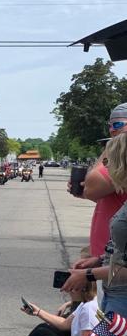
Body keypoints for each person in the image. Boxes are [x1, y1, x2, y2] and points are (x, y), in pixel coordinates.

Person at [64, 132, 127, 336]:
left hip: (121, 298)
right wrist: (99, 258)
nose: (105, 165)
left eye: (110, 159)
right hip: (113, 296)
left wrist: (89, 274)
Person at [72, 103, 127, 259]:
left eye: (117, 125)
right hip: (107, 257)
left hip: (117, 263)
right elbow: (108, 197)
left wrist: (110, 147)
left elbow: (92, 186)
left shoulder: (123, 160)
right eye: (110, 125)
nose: (111, 130)